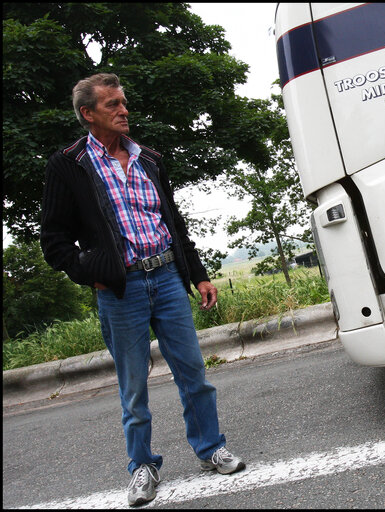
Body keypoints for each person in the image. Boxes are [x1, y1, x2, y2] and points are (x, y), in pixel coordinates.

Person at [40, 73, 245, 507]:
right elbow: (54, 240)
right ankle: (142, 467)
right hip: (121, 289)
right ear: (88, 113)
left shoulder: (149, 158)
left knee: (194, 374)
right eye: (113, 104)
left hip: (168, 276)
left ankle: (210, 448)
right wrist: (90, 273)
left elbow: (174, 222)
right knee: (133, 387)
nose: (123, 110)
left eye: (124, 103)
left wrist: (199, 274)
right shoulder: (68, 164)